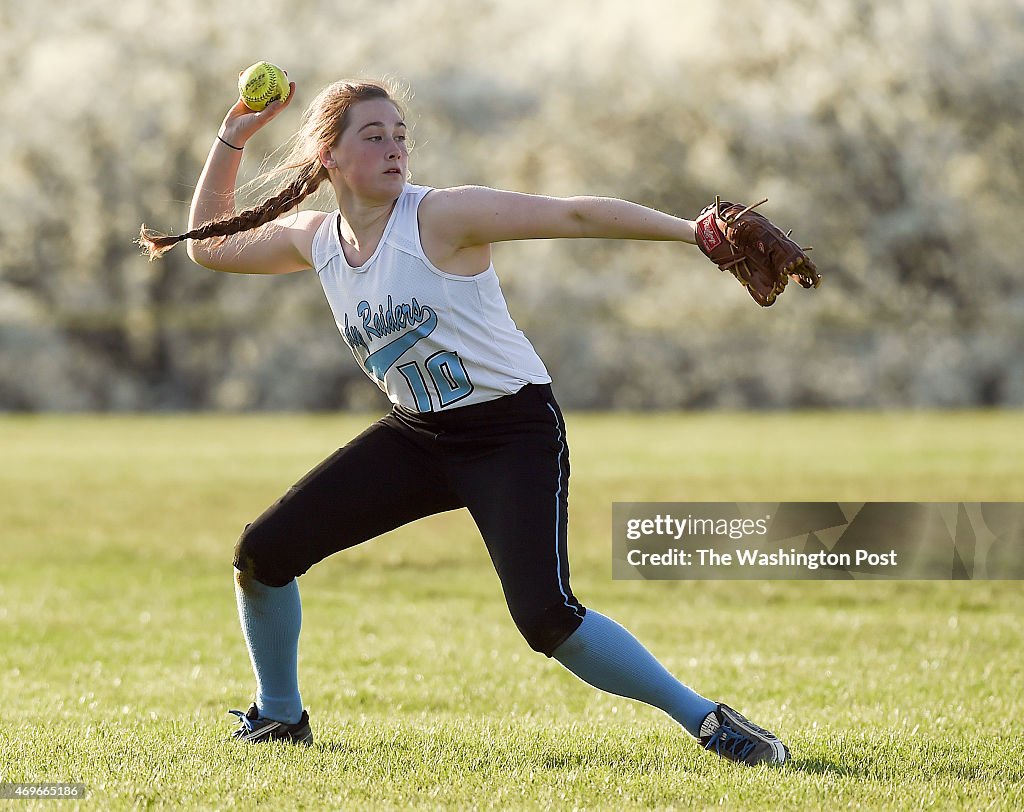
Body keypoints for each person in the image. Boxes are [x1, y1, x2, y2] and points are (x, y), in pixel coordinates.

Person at [139, 77, 790, 767]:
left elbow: (571, 215)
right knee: (262, 556)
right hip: (417, 436)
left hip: (510, 432)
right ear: (327, 156)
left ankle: (708, 720)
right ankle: (278, 717)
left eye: (400, 136)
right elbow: (208, 246)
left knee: (547, 620)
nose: (395, 149)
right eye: (373, 136)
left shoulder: (442, 218)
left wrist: (689, 232)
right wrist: (235, 133)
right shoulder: (317, 239)